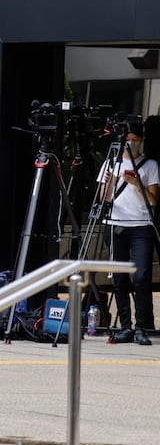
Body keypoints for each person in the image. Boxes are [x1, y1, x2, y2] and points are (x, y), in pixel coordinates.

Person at [98, 116, 158, 345]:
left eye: (136, 140)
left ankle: (142, 325)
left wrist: (137, 184)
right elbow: (104, 198)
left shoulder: (150, 165)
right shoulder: (111, 162)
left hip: (141, 225)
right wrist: (111, 182)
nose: (131, 144)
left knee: (141, 276)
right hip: (115, 224)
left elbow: (154, 201)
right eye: (128, 140)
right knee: (119, 278)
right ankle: (125, 326)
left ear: (141, 141)